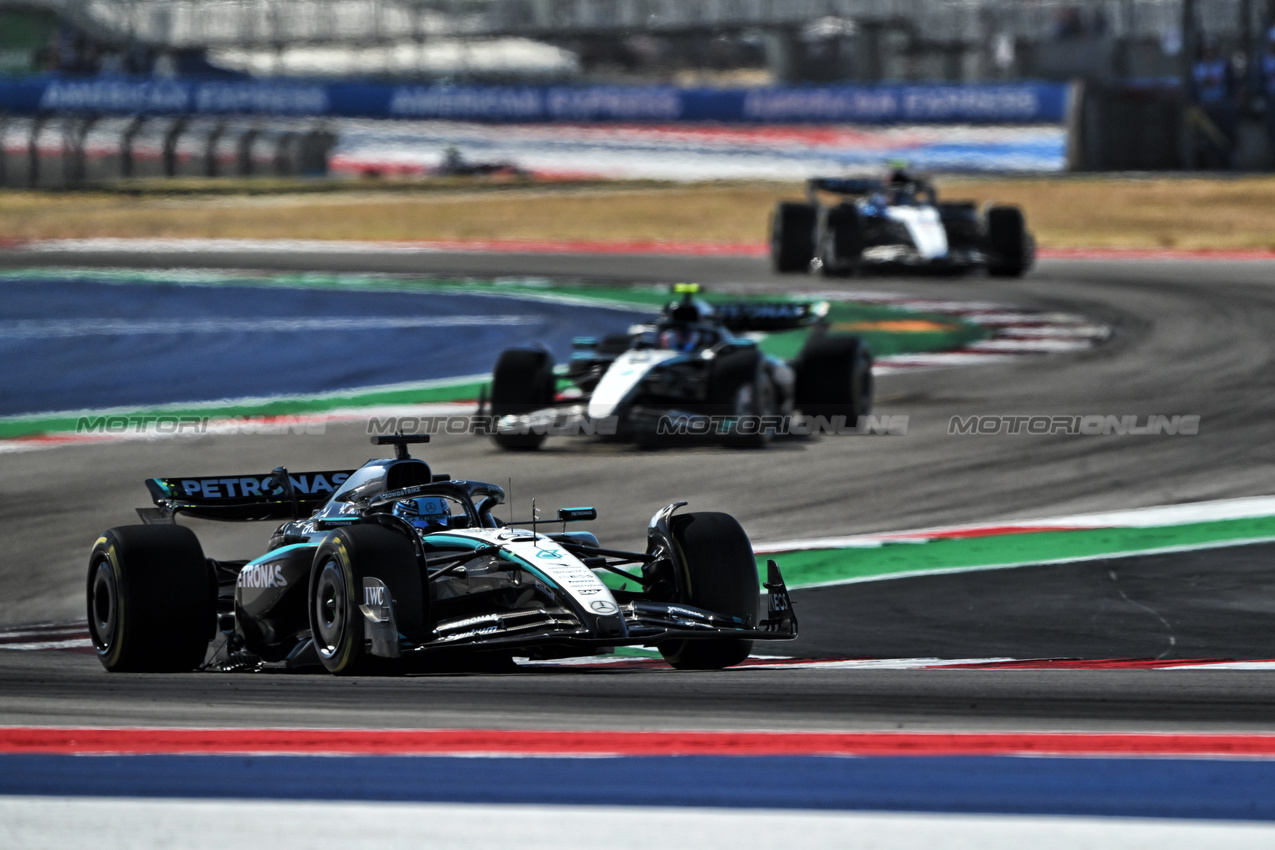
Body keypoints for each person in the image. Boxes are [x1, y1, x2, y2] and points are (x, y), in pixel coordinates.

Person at [1191, 37, 1238, 167]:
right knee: (1206, 137)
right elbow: (1193, 88)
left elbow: (1232, 84)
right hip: (1205, 106)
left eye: (1212, 50)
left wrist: (1232, 101)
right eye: (1206, 50)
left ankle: (1225, 163)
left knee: (1223, 136)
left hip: (1222, 105)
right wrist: (1196, 103)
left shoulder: (1223, 65)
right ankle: (1205, 165)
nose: (1209, 53)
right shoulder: (1197, 67)